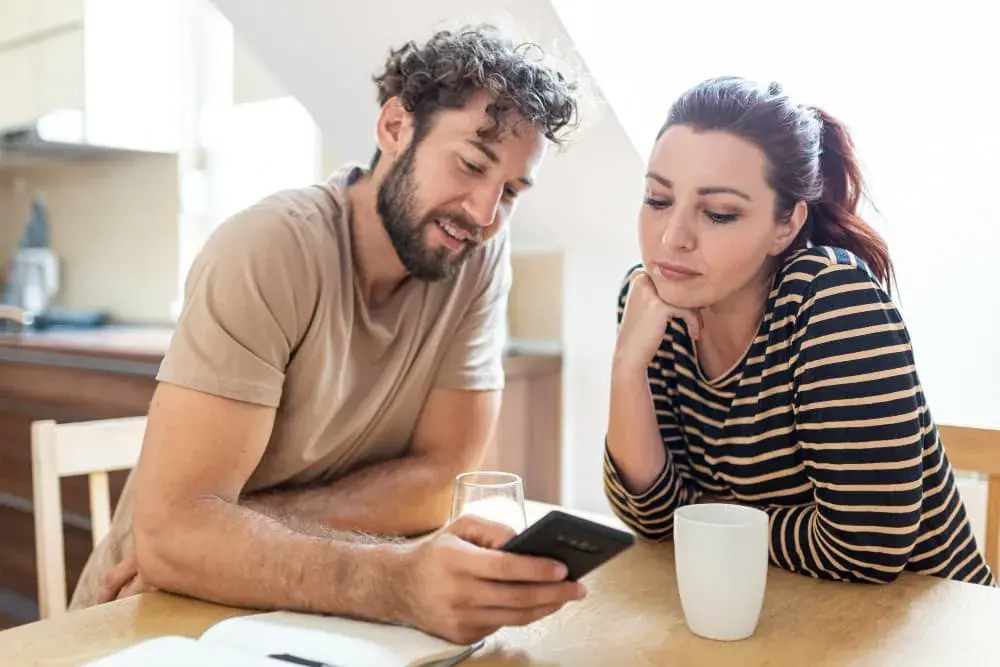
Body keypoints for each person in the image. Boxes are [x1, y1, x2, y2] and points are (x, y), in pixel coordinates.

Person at [69, 24, 588, 644]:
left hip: (292, 605)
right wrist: (395, 580)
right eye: (471, 165)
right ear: (395, 128)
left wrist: (234, 532)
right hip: (146, 609)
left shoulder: (475, 259)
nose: (483, 211)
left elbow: (445, 475)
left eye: (510, 191)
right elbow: (175, 536)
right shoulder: (268, 248)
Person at [604, 76, 994, 587]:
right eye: (657, 199)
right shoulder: (654, 305)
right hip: (784, 622)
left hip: (936, 638)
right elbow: (653, 520)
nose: (672, 237)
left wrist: (701, 520)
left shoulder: (832, 302)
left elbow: (865, 549)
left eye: (719, 213)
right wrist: (627, 367)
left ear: (786, 226)